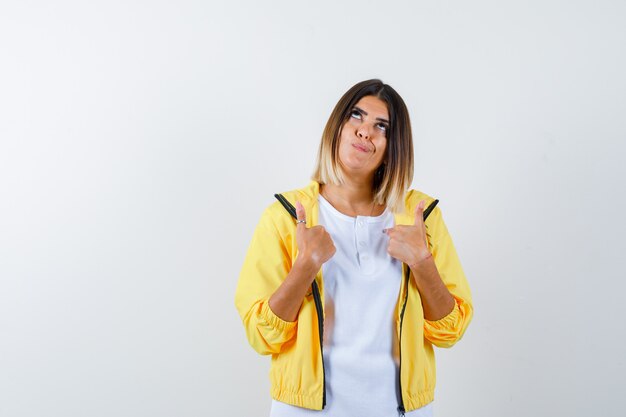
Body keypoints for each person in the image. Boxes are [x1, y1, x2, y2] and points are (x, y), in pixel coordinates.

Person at [234, 79, 473, 417]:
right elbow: (261, 336)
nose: (365, 132)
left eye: (382, 126)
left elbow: (451, 330)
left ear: (394, 146)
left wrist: (423, 261)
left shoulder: (421, 217)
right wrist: (304, 267)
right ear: (337, 126)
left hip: (403, 411)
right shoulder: (286, 217)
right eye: (356, 116)